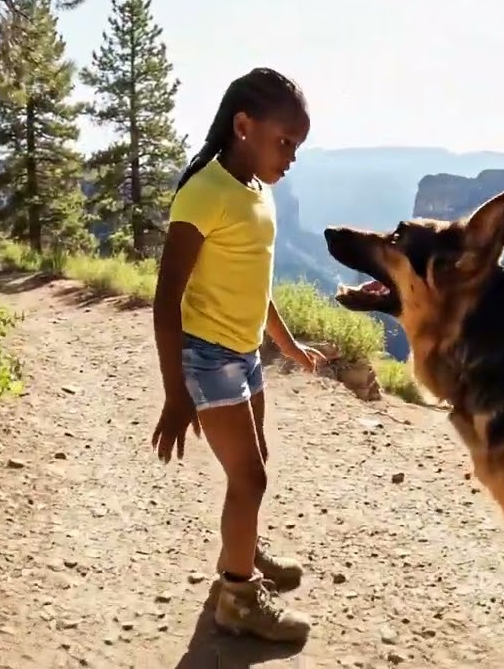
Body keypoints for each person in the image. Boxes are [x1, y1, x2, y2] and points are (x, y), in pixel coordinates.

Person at [150, 67, 326, 642]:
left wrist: (286, 343)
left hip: (246, 353)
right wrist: (176, 394)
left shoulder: (260, 191)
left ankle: (241, 550)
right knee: (249, 479)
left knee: (257, 466)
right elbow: (165, 300)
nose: (291, 157)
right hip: (208, 357)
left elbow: (257, 281)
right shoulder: (204, 194)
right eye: (284, 142)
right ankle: (238, 598)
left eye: (297, 146)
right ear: (243, 126)